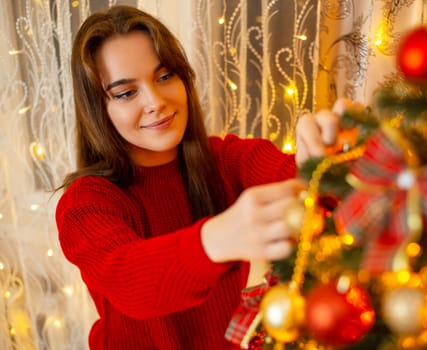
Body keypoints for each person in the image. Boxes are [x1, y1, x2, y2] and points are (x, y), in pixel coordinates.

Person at [55, 5, 342, 349]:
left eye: (164, 77)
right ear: (98, 110)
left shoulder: (226, 159)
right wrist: (217, 239)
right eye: (126, 92)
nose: (156, 101)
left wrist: (326, 162)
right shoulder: (85, 203)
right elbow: (132, 283)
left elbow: (308, 181)